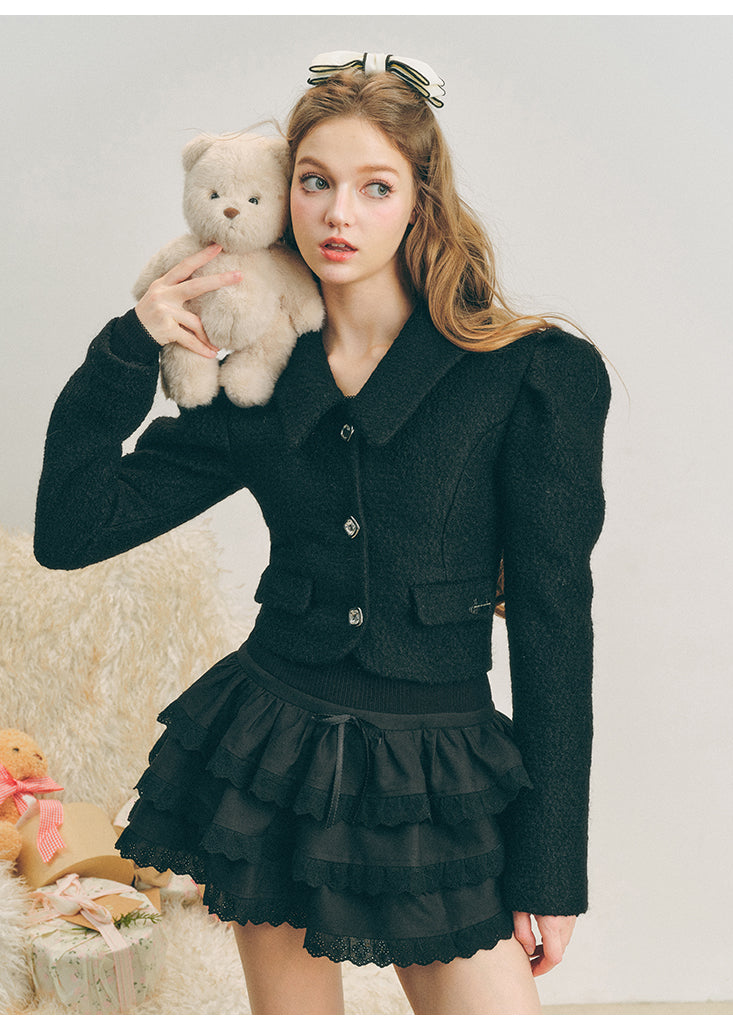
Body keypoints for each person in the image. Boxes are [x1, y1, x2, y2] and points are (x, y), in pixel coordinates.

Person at [34, 51, 610, 1016]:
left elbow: (556, 626)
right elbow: (71, 527)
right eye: (314, 182)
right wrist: (130, 344)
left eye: (374, 187)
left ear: (420, 202)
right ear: (284, 194)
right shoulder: (258, 378)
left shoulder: (528, 375)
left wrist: (553, 869)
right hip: (273, 761)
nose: (339, 213)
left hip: (438, 773)